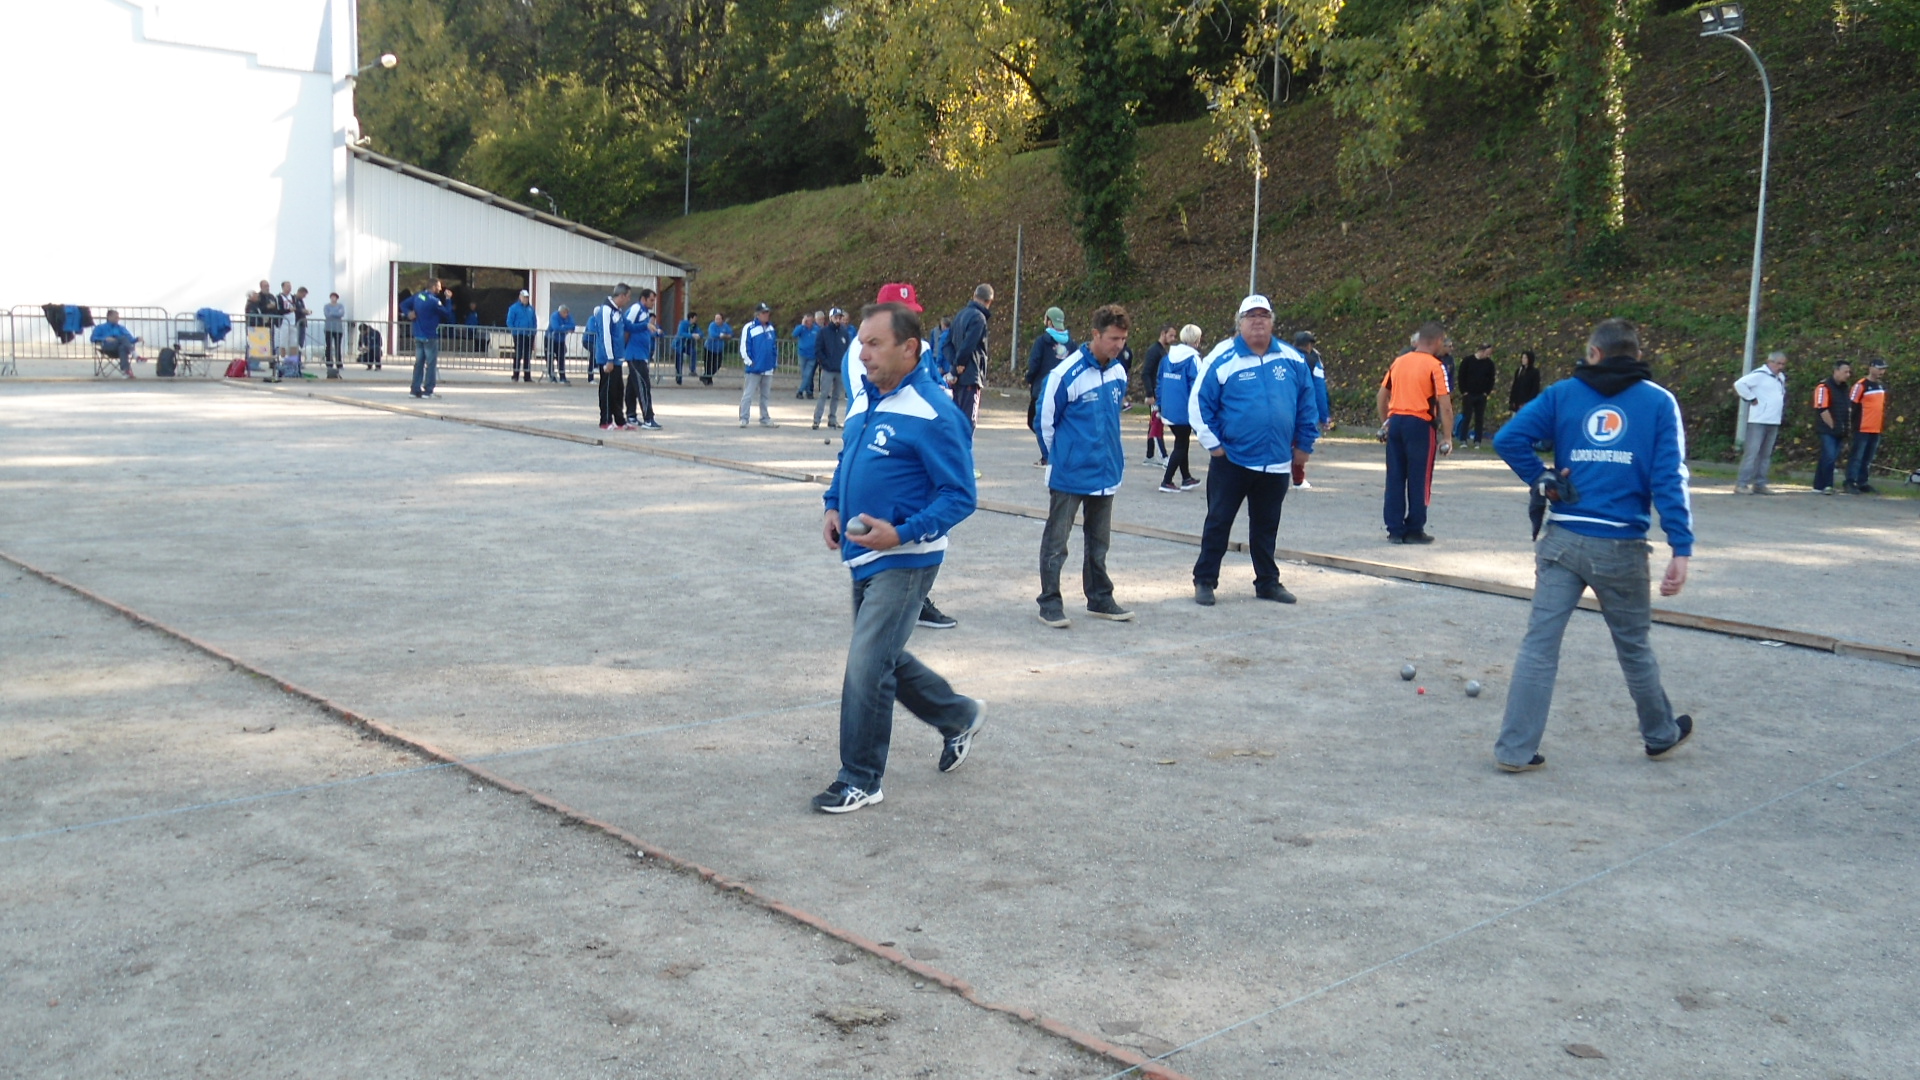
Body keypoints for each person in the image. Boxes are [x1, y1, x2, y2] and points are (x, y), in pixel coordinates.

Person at [1490, 317, 1695, 774]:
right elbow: (1670, 479)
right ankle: (1659, 734)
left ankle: (1514, 750)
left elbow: (1508, 438)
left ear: (1595, 353)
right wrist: (1680, 546)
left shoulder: (1564, 393)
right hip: (1622, 544)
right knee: (1634, 646)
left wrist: (1540, 477)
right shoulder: (1660, 403)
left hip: (1562, 537)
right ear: (1637, 356)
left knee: (1539, 646)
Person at [813, 300, 982, 814]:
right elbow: (848, 457)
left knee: (866, 662)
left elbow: (960, 495)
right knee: (882, 655)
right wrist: (833, 505)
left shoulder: (933, 411)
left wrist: (903, 533)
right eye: (861, 342)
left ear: (909, 348)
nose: (861, 353)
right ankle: (956, 715)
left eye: (874, 343)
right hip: (862, 552)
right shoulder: (867, 399)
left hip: (908, 558)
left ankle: (861, 777)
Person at [1189, 295, 1320, 606]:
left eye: (1264, 315)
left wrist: (1305, 444)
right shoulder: (1222, 358)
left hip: (1275, 461)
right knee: (1219, 521)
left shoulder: (1292, 358)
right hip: (1232, 460)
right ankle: (1205, 580)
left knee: (1266, 526)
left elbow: (1307, 403)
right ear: (1240, 322)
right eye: (1251, 316)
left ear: (1273, 322)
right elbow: (1198, 404)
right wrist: (1215, 446)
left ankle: (1267, 582)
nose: (1258, 321)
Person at [1034, 305, 1135, 628]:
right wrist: (1059, 457)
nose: (1118, 345)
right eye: (1112, 338)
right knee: (1056, 542)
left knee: (1099, 542)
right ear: (1095, 335)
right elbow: (1045, 421)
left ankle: (1100, 598)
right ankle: (1049, 601)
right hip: (1070, 472)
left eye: (1122, 339)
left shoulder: (1119, 371)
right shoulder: (1066, 374)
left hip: (1106, 473)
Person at [1376, 322, 1455, 543]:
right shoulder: (1436, 366)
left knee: (1395, 476)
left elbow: (1382, 396)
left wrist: (1386, 423)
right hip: (1420, 424)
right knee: (1420, 477)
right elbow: (1445, 405)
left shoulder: (1399, 362)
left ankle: (1394, 529)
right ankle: (1414, 529)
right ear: (1438, 341)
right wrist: (1447, 436)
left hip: (1397, 422)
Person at [1731, 350, 1787, 494]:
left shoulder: (1780, 377)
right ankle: (1741, 484)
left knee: (1766, 454)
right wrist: (1750, 398)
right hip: (1758, 420)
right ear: (1770, 362)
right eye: (1778, 363)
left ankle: (1760, 483)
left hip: (1774, 420)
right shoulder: (1759, 375)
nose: (1780, 367)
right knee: (1752, 452)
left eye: (1783, 364)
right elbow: (1739, 384)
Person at [1156, 324, 1204, 493]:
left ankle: (1186, 477)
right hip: (1184, 410)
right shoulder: (1193, 360)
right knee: (1181, 444)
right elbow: (1197, 387)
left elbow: (1160, 382)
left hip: (1169, 409)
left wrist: (1160, 404)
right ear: (1197, 340)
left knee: (1181, 442)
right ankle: (1167, 480)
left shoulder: (1167, 358)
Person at [943, 284, 993, 441]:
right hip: (970, 375)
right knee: (968, 423)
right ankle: (963, 459)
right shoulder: (979, 318)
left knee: (957, 421)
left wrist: (953, 366)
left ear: (974, 295)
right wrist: (959, 365)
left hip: (958, 377)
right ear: (989, 301)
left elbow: (946, 344)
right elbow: (969, 345)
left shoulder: (960, 315)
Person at [1025, 308, 1073, 465]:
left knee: (1035, 421)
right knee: (1059, 421)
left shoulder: (1042, 341)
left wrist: (1029, 378)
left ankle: (1048, 455)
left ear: (1049, 321)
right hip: (1064, 390)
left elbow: (1034, 363)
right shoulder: (1071, 344)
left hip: (1043, 389)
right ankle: (1058, 451)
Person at [400, 280, 453, 398]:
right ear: (433, 287)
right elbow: (447, 313)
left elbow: (403, 304)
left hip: (418, 334)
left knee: (419, 363)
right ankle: (428, 390)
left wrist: (408, 313)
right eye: (439, 287)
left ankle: (414, 389)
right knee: (431, 364)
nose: (440, 289)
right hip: (430, 336)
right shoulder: (434, 301)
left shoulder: (418, 296)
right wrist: (448, 299)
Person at [590, 285, 632, 429]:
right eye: (628, 296)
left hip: (618, 357)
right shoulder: (606, 311)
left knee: (618, 389)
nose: (628, 300)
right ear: (621, 296)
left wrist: (645, 326)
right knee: (607, 389)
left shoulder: (618, 311)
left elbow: (627, 327)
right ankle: (605, 420)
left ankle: (619, 420)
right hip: (608, 357)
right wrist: (609, 358)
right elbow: (605, 335)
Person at [1293, 330, 1330, 489]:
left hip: (1285, 406)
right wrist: (1324, 416)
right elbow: (1319, 389)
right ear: (1309, 345)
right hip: (1305, 407)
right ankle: (1298, 480)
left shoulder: (1285, 357)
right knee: (1300, 442)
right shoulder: (1314, 361)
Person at [622, 288, 662, 429]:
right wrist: (624, 348)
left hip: (641, 354)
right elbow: (626, 327)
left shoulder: (645, 312)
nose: (653, 303)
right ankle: (648, 419)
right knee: (644, 386)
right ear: (643, 299)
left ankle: (631, 415)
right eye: (651, 300)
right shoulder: (636, 309)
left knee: (633, 387)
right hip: (635, 355)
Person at [1846, 359, 1887, 493]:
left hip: (1876, 428)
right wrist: (1850, 425)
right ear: (1871, 368)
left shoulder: (1880, 386)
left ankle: (1862, 481)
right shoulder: (1861, 385)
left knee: (1868, 458)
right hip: (1862, 427)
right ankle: (1850, 481)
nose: (1881, 372)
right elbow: (1851, 405)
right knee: (1857, 456)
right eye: (1879, 368)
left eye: (1883, 369)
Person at [1812, 359, 1853, 494]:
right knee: (1829, 456)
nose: (1848, 375)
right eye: (1845, 372)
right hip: (1827, 429)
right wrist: (1833, 427)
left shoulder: (1844, 388)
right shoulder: (1823, 387)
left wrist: (1845, 428)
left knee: (1829, 456)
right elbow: (1822, 409)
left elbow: (1846, 408)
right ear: (1836, 371)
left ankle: (1818, 485)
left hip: (1840, 428)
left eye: (1849, 372)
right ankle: (1828, 485)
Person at [739, 303, 779, 427]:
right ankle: (744, 418)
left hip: (768, 367)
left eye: (767, 312)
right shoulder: (749, 327)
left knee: (765, 396)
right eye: (763, 313)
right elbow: (744, 347)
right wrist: (750, 362)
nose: (766, 315)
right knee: (748, 394)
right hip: (754, 368)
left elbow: (773, 347)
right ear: (757, 314)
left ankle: (765, 418)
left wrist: (774, 363)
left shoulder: (771, 328)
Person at [813, 308, 851, 430]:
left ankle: (832, 419)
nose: (838, 320)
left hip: (839, 369)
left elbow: (847, 350)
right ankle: (817, 419)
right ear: (830, 318)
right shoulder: (823, 332)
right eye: (835, 317)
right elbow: (818, 349)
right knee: (823, 394)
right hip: (828, 369)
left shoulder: (844, 333)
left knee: (836, 396)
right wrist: (825, 363)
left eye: (839, 317)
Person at [1457, 344, 1497, 446]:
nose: (1488, 355)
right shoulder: (1468, 361)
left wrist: (1486, 392)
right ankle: (1463, 439)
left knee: (1479, 418)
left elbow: (1491, 379)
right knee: (1466, 417)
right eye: (1487, 353)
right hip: (1469, 394)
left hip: (1481, 395)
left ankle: (1477, 440)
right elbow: (1461, 376)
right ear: (1481, 351)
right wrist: (1464, 391)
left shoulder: (1489, 364)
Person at [90, 310, 139, 377]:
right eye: (116, 317)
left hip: (121, 348)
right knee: (122, 338)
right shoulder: (100, 327)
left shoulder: (121, 328)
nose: (118, 319)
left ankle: (126, 371)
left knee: (122, 346)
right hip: (108, 347)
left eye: (118, 317)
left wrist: (137, 339)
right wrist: (105, 338)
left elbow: (130, 339)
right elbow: (93, 338)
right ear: (109, 317)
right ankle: (135, 354)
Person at [506, 289, 538, 383]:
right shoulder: (514, 308)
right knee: (518, 354)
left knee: (527, 355)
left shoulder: (531, 309)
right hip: (519, 334)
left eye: (527, 297)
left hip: (529, 335)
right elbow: (509, 321)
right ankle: (515, 376)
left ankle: (527, 377)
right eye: (524, 297)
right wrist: (515, 331)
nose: (526, 299)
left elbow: (534, 321)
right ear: (520, 297)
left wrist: (533, 331)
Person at [545, 305, 575, 383]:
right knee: (550, 358)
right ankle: (552, 376)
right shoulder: (554, 316)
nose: (566, 315)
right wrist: (566, 328)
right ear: (560, 312)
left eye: (567, 313)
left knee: (561, 358)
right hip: (550, 339)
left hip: (561, 340)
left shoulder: (568, 316)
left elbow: (573, 326)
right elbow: (556, 327)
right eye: (564, 313)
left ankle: (562, 377)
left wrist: (563, 327)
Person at [793, 312, 820, 399]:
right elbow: (794, 334)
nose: (809, 323)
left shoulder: (817, 329)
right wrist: (802, 325)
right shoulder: (801, 328)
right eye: (807, 321)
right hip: (802, 354)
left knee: (808, 374)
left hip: (812, 355)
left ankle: (800, 391)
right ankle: (808, 392)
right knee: (805, 374)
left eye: (810, 321)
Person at [1509, 349, 1542, 414]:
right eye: (1522, 358)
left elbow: (1535, 389)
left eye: (1525, 358)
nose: (1523, 360)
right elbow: (1515, 386)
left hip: (1527, 402)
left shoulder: (1534, 372)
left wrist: (1528, 402)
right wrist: (1512, 400)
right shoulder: (1519, 371)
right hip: (1517, 402)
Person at [322, 293, 346, 379]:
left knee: (337, 346)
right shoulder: (326, 306)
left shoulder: (341, 306)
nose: (333, 299)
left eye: (334, 297)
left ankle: (339, 364)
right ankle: (329, 363)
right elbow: (327, 314)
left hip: (338, 329)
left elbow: (341, 314)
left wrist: (332, 313)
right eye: (331, 297)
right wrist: (335, 313)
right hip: (328, 328)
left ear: (337, 298)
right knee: (328, 346)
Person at [703, 313, 730, 386]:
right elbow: (712, 334)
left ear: (722, 319)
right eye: (716, 319)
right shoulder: (712, 325)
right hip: (709, 347)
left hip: (719, 349)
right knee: (708, 365)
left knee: (717, 365)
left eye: (719, 319)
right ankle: (708, 380)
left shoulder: (725, 326)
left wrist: (725, 336)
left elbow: (730, 333)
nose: (717, 321)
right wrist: (721, 335)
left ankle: (705, 377)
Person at [673, 313, 698, 384]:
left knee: (693, 352)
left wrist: (699, 335)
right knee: (679, 362)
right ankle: (679, 378)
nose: (696, 320)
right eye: (695, 318)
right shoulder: (683, 324)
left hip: (686, 345)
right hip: (679, 345)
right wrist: (691, 335)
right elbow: (681, 333)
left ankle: (692, 370)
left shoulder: (694, 326)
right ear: (691, 318)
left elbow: (699, 331)